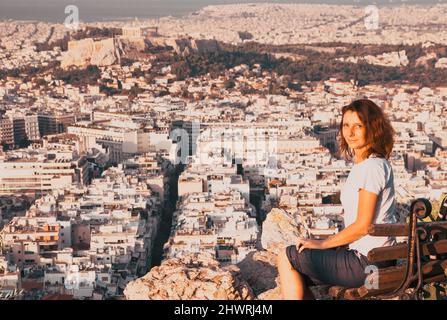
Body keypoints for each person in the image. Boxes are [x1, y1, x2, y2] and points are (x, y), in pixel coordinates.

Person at [277, 99, 398, 300]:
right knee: (300, 267)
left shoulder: (371, 168)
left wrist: (322, 244)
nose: (350, 132)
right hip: (376, 262)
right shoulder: (371, 165)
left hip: (367, 267)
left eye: (358, 126)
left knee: (287, 257)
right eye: (345, 125)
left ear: (373, 128)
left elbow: (362, 226)